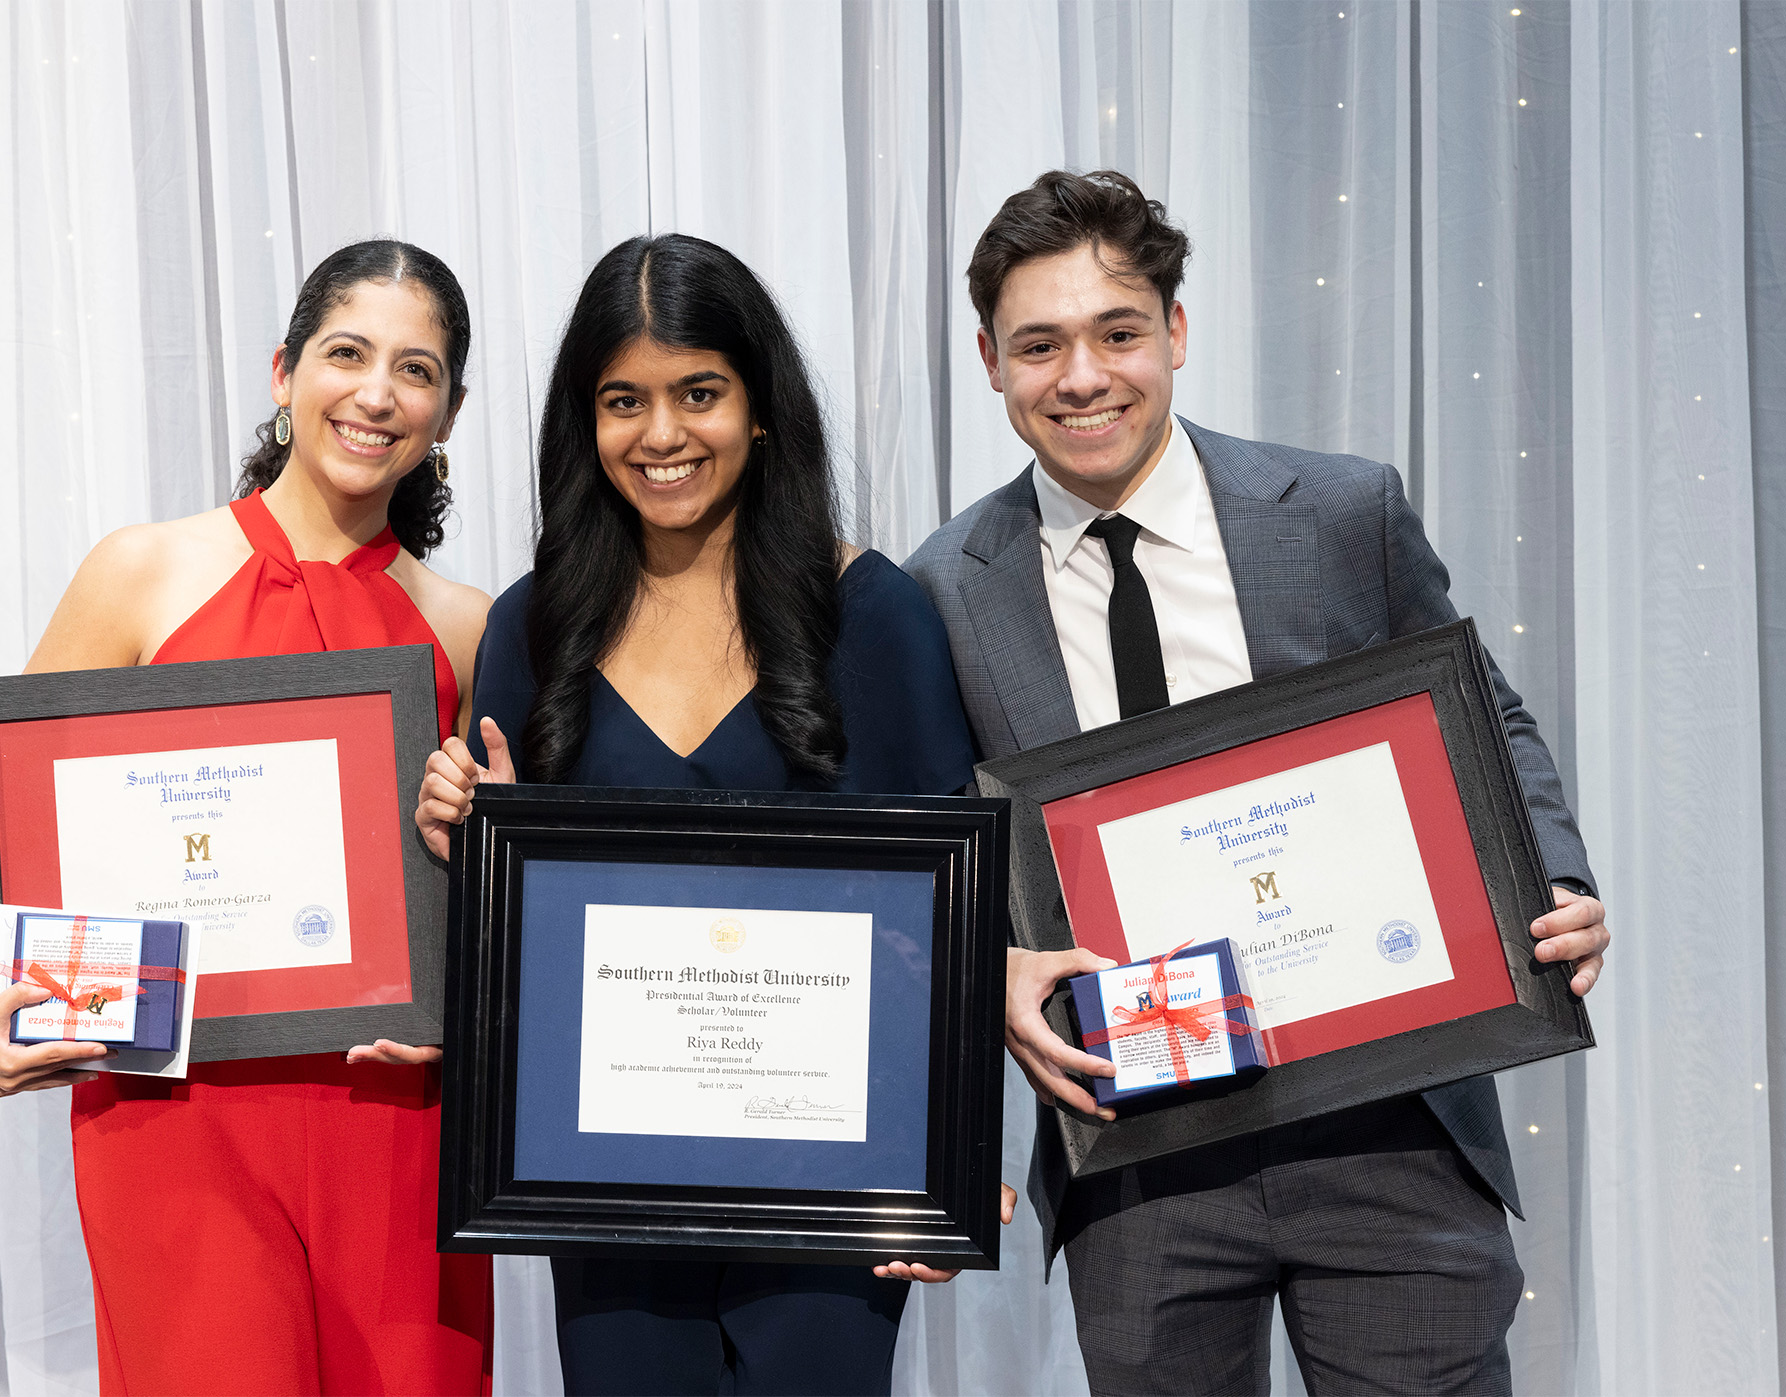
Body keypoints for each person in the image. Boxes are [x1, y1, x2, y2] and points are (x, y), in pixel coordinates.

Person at [903, 170, 1613, 1396]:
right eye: (1039, 345)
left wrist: (1550, 871)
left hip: (1389, 1112)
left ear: (1175, 331)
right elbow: (938, 851)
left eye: (1118, 333)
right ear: (989, 360)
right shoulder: (943, 591)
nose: (1083, 377)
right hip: (1140, 1145)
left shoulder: (1339, 510)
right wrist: (988, 969)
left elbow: (1481, 712)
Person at [416, 232, 997, 1397]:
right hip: (607, 1181)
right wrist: (466, 834)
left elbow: (948, 919)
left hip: (830, 1182)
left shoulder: (875, 614)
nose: (663, 434)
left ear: (761, 406)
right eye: (623, 400)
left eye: (699, 393)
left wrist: (950, 1151)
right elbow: (514, 934)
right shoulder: (534, 627)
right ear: (585, 422)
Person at [0, 240, 495, 1394]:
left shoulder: (467, 625)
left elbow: (477, 887)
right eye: (347, 353)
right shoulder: (145, 570)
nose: (378, 392)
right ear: (284, 372)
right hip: (172, 1113)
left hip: (395, 1119)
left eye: (415, 369)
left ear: (450, 408)